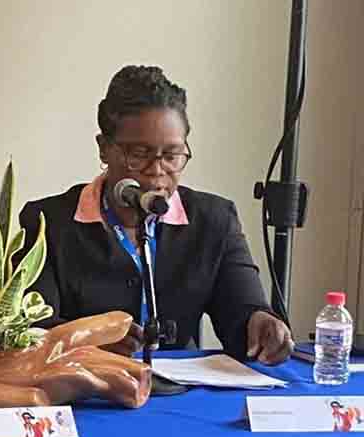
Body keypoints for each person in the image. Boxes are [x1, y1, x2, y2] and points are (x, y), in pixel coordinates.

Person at [16, 65, 293, 364]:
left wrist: (261, 324)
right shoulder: (48, 222)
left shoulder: (214, 220)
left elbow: (242, 314)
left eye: (172, 155)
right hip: (86, 392)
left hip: (177, 395)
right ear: (104, 149)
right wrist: (91, 339)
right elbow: (30, 331)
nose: (157, 170)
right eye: (139, 154)